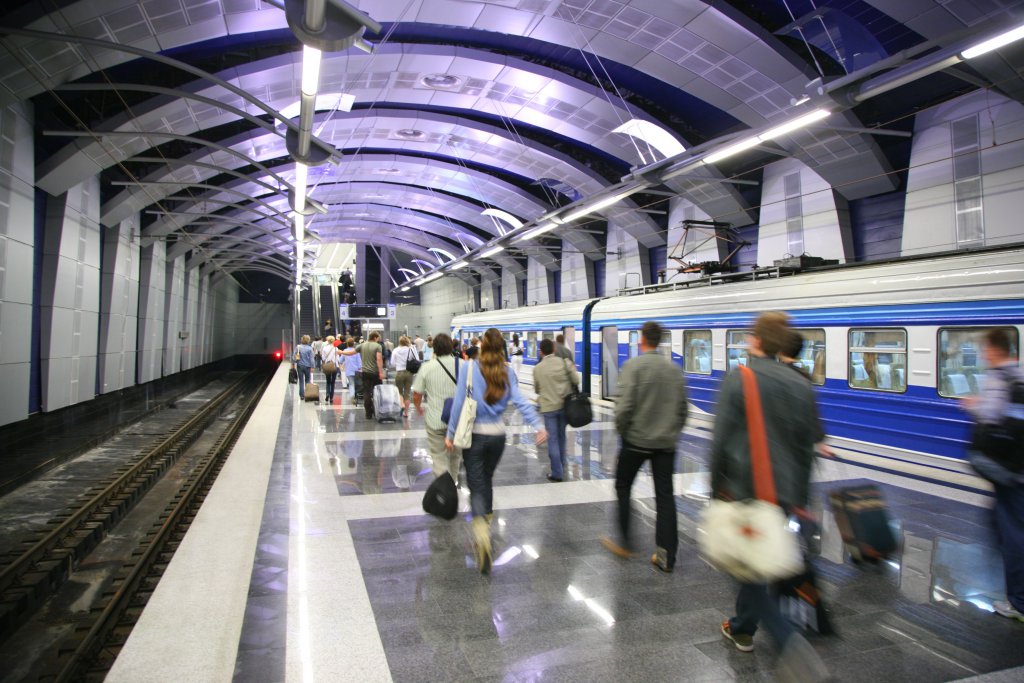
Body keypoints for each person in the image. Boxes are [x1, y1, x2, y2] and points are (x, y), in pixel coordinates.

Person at [710, 312, 830, 682]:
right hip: (786, 493)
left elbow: (721, 441)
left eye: (750, 337)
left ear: (758, 341)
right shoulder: (801, 384)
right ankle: (742, 626)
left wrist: (717, 489)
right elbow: (810, 443)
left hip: (747, 489)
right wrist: (801, 499)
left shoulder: (739, 378)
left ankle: (788, 641)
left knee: (748, 565)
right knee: (759, 562)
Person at [446, 328, 548, 574]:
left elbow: (459, 402)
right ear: (502, 347)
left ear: (481, 345)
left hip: (475, 436)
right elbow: (521, 402)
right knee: (486, 481)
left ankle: (481, 532)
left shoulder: (469, 368)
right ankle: (486, 524)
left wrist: (450, 434)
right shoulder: (507, 371)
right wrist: (537, 425)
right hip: (498, 437)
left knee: (476, 483)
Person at [600, 321, 688, 573]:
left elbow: (623, 408)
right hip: (665, 444)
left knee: (623, 485)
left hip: (636, 442)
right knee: (665, 496)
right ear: (660, 340)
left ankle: (626, 543)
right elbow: (682, 410)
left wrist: (624, 434)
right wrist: (671, 432)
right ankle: (666, 556)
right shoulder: (674, 370)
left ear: (642, 340)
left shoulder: (633, 367)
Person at [963, 327, 1024, 623]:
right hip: (1018, 469)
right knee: (1005, 523)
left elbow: (990, 417)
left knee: (1012, 533)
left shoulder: (998, 379)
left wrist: (973, 406)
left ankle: (1019, 602)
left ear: (992, 349)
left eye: (984, 349)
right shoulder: (1021, 375)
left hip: (1008, 471)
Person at [412, 333, 462, 483]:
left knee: (439, 458)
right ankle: (452, 485)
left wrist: (418, 407)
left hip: (435, 419)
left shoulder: (427, 367)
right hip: (458, 420)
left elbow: (417, 393)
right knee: (455, 457)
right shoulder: (463, 365)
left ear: (434, 348)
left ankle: (443, 491)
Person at [532, 338, 580, 482]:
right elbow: (576, 380)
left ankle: (557, 472)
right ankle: (562, 464)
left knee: (552, 439)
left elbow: (537, 389)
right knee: (561, 436)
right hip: (564, 405)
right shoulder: (564, 362)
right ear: (554, 349)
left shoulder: (538, 368)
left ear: (541, 352)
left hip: (548, 408)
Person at [355, 332, 385, 419]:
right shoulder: (377, 346)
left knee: (366, 392)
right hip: (375, 373)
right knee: (378, 391)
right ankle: (378, 410)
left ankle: (368, 413)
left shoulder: (362, 345)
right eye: (378, 337)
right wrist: (381, 372)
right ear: (375, 337)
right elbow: (379, 359)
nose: (379, 339)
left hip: (365, 373)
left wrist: (341, 352)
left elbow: (352, 352)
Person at [391, 335, 417, 417]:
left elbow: (392, 363)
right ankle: (406, 413)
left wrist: (398, 364)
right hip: (409, 373)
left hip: (399, 372)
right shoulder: (411, 349)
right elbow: (417, 359)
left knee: (399, 391)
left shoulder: (395, 350)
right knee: (407, 393)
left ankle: (401, 404)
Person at [321, 335, 339, 404]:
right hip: (334, 366)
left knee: (328, 381)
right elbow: (337, 358)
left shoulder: (325, 348)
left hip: (328, 366)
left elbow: (323, 358)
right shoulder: (336, 348)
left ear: (327, 341)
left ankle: (327, 394)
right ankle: (331, 397)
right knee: (333, 382)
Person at [343, 338, 361, 404]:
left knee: (351, 384)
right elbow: (359, 361)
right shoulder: (356, 351)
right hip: (356, 370)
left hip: (349, 370)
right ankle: (355, 395)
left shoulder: (345, 351)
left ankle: (352, 395)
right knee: (357, 384)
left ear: (347, 344)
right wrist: (360, 368)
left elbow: (340, 360)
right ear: (353, 344)